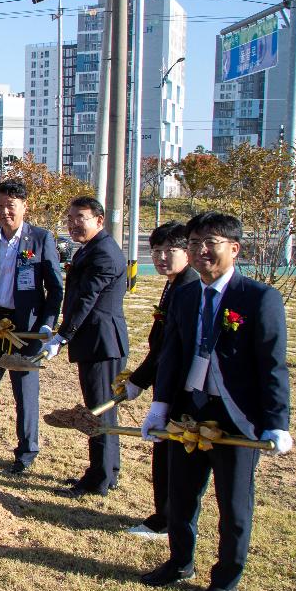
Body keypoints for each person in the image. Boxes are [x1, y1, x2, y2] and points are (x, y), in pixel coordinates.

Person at [139, 211, 292, 591]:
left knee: (233, 505)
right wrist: (160, 407)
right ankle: (179, 561)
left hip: (235, 418)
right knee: (181, 495)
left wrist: (277, 423)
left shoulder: (259, 298)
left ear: (234, 249)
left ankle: (225, 580)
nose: (200, 250)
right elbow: (171, 354)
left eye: (211, 242)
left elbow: (272, 366)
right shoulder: (186, 295)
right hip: (189, 411)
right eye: (194, 243)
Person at [0, 179, 63, 474]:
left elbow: (55, 289)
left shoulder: (40, 239)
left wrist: (47, 323)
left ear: (24, 207)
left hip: (26, 328)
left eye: (11, 206)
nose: (5, 211)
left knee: (24, 392)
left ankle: (26, 453)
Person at [42, 196, 129, 496]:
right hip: (96, 341)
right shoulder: (92, 249)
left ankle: (98, 480)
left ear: (99, 220)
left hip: (101, 343)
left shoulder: (103, 253)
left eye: (81, 217)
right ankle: (107, 471)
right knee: (102, 409)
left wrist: (63, 336)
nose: (73, 223)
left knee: (98, 412)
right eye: (70, 218)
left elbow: (86, 301)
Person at [121, 221, 199, 538]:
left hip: (183, 387)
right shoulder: (174, 283)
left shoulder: (189, 287)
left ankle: (167, 520)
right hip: (167, 381)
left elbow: (170, 349)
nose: (161, 257)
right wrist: (140, 380)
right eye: (155, 250)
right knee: (165, 453)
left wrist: (139, 380)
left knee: (174, 456)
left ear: (188, 252)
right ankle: (164, 515)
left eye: (170, 250)